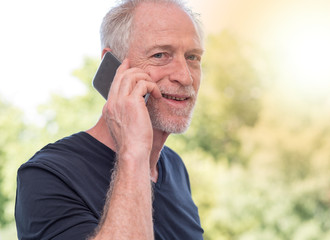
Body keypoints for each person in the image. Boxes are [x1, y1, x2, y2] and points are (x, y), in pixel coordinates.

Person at [14, 0, 205, 239]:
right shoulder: (47, 175)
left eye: (193, 57)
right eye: (160, 55)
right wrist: (134, 152)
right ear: (113, 66)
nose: (185, 77)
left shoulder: (174, 167)